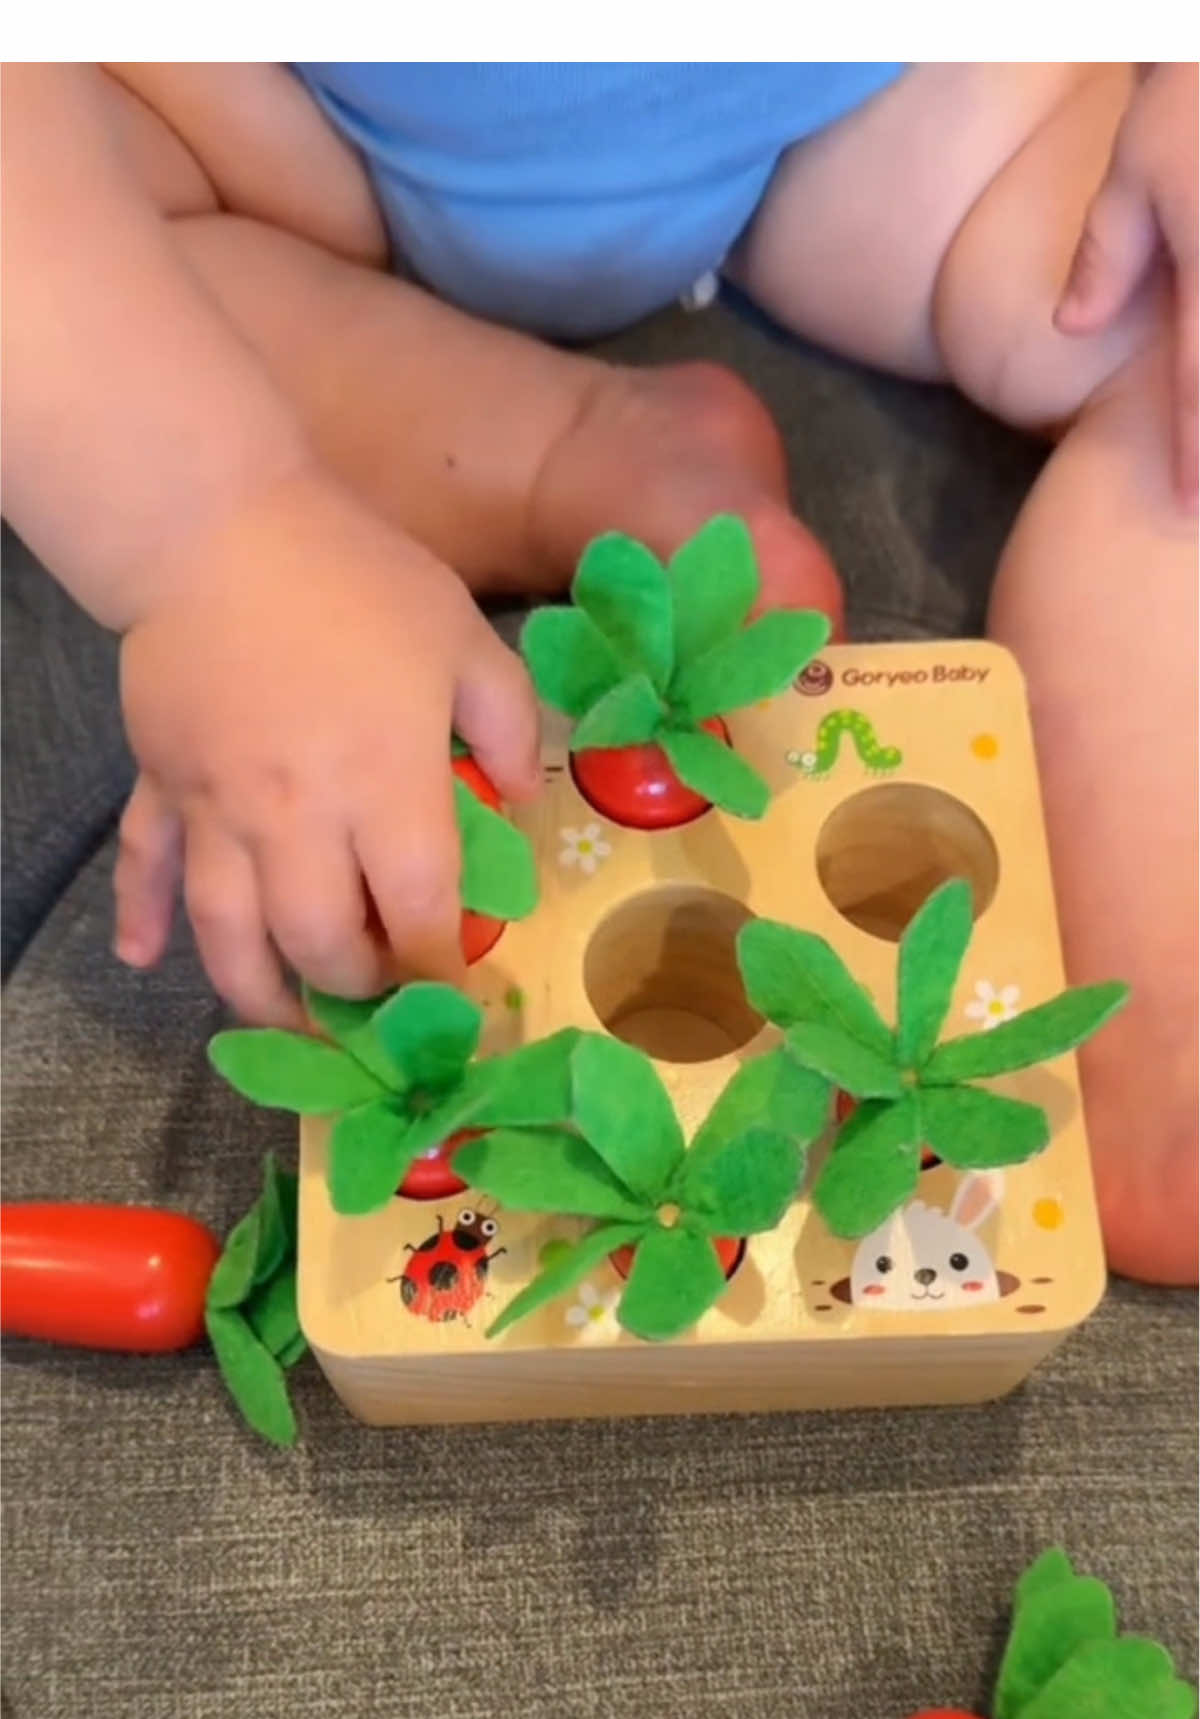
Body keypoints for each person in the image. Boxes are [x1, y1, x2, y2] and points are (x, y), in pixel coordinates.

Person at [3, 62, 1195, 1284]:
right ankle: (568, 452)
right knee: (100, 297)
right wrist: (216, 539)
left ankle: (1167, 1019)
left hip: (868, 97)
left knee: (1167, 320)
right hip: (310, 123)